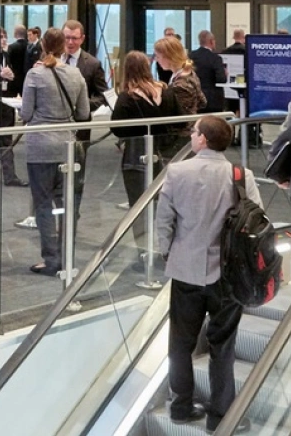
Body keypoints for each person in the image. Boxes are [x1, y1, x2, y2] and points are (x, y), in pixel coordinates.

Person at [157, 115, 260, 430]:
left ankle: (181, 407)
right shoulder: (241, 176)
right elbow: (257, 222)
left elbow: (164, 222)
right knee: (222, 346)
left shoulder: (176, 172)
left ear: (203, 140)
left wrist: (169, 254)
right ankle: (220, 417)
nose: (191, 135)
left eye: (194, 131)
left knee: (180, 343)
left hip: (186, 270)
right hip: (228, 277)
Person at [19, 26, 89, 276]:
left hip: (40, 147)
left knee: (43, 205)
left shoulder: (35, 75)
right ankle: (67, 256)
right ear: (63, 48)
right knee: (68, 204)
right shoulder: (76, 74)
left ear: (43, 46)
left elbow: (26, 113)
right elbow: (83, 114)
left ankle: (51, 259)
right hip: (69, 147)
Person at [110, 51, 181, 243]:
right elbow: (181, 122)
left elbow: (116, 129)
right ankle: (166, 247)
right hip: (168, 156)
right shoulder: (167, 92)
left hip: (136, 158)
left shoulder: (127, 97)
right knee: (167, 205)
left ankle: (143, 251)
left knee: (139, 206)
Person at [62, 19, 107, 214]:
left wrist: (84, 106)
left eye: (74, 38)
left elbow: (102, 95)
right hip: (55, 126)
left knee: (77, 171)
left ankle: (73, 210)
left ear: (82, 39)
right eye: (66, 38)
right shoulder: (51, 59)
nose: (70, 42)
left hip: (80, 127)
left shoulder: (93, 64)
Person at [154, 36, 206, 156]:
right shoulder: (189, 74)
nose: (157, 60)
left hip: (180, 138)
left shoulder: (181, 84)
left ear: (169, 56)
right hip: (188, 133)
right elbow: (203, 101)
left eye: (158, 56)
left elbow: (178, 115)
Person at [0, 25, 26, 186]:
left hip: (7, 103)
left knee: (7, 140)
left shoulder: (6, 55)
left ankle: (10, 176)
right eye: (0, 37)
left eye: (4, 36)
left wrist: (11, 76)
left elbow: (11, 76)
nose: (3, 40)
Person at [190, 31, 227, 113]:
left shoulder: (191, 56)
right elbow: (221, 79)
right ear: (211, 41)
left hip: (195, 97)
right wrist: (225, 74)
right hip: (213, 100)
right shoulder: (215, 58)